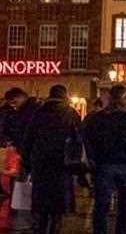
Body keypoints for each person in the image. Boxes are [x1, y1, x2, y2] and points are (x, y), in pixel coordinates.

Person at [82, 86, 126, 234]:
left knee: (101, 206)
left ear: (109, 98)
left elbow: (88, 143)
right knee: (124, 206)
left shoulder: (96, 118)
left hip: (103, 165)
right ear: (125, 98)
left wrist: (91, 164)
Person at [21, 85, 81, 234]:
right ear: (65, 96)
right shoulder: (71, 114)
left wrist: (27, 163)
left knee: (42, 208)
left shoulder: (39, 113)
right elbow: (78, 141)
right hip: (62, 165)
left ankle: (40, 230)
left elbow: (28, 140)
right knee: (58, 209)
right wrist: (78, 167)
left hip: (41, 164)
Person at [0, 87, 28, 197]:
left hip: (2, 142)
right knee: (5, 166)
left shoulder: (1, 111)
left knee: (0, 166)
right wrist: (8, 140)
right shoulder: (8, 112)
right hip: (6, 142)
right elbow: (6, 128)